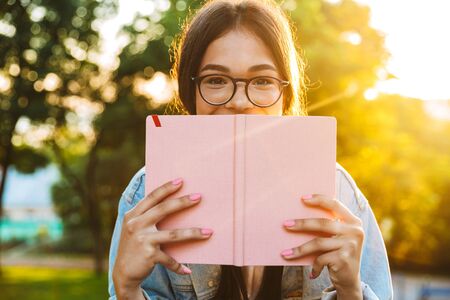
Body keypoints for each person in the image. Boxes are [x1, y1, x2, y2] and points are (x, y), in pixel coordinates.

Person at [108, 0, 393, 299]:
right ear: (190, 92)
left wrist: (350, 291)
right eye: (216, 80)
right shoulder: (147, 194)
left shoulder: (339, 193)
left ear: (285, 95)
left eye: (262, 81)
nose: (240, 101)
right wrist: (127, 290)